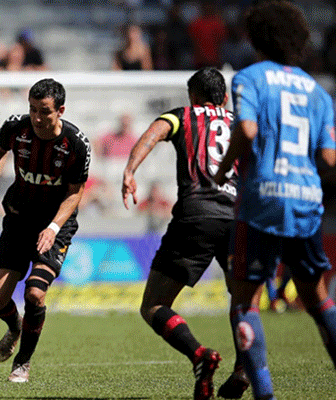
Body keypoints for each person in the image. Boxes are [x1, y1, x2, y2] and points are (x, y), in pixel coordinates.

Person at [213, 2, 336, 399]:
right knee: (318, 299)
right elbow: (328, 158)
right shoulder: (318, 91)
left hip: (261, 200)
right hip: (306, 199)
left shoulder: (249, 78)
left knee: (243, 301)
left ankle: (265, 395)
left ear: (256, 38)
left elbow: (248, 130)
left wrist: (223, 171)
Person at [122, 67, 247, 400]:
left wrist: (130, 170)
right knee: (242, 297)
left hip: (197, 215)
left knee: (154, 304)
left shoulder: (182, 115)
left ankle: (198, 354)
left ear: (193, 96)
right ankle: (244, 367)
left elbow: (154, 133)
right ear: (223, 97)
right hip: (238, 216)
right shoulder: (239, 121)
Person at [0, 78, 91, 383]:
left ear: (60, 110)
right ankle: (15, 327)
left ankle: (22, 362)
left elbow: (75, 193)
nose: (36, 117)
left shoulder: (76, 143)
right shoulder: (16, 128)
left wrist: (52, 226)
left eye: (44, 111)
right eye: (32, 109)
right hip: (19, 219)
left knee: (35, 292)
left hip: (55, 225)